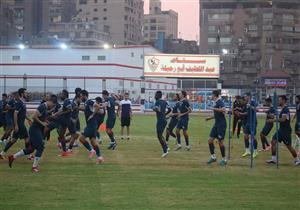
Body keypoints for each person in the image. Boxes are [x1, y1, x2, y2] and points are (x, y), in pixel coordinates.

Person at [8, 95, 58, 172]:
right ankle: (34, 167)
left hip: (37, 129)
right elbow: (34, 117)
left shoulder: (45, 108)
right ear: (51, 102)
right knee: (41, 147)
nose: (52, 107)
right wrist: (42, 123)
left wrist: (45, 121)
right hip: (35, 129)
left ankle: (13, 157)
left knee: (31, 149)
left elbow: (40, 116)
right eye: (53, 105)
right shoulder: (42, 106)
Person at [266, 95, 300, 166]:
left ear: (284, 100)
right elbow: (280, 118)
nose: (279, 101)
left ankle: (297, 160)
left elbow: (283, 119)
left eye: (280, 100)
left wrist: (272, 120)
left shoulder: (286, 109)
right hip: (281, 130)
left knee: (289, 146)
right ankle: (274, 159)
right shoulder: (282, 109)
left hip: (286, 131)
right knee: (273, 141)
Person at [0, 89, 32, 158]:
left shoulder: (22, 102)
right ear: (22, 94)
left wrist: (29, 119)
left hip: (19, 124)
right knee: (27, 138)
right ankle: (28, 155)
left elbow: (22, 114)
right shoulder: (19, 102)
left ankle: (2, 153)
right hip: (20, 124)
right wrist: (16, 125)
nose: (27, 94)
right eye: (25, 93)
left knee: (13, 140)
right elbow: (15, 113)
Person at [78, 90, 104, 164]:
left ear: (84, 95)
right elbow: (87, 110)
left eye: (81, 96)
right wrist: (78, 108)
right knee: (93, 142)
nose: (80, 97)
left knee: (81, 138)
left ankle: (91, 151)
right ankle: (100, 157)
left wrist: (92, 115)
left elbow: (98, 107)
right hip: (92, 124)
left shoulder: (89, 102)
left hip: (91, 124)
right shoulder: (87, 103)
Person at [206, 90, 227, 166]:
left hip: (221, 125)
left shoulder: (219, 101)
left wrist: (213, 109)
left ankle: (224, 159)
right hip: (216, 124)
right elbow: (218, 114)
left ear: (214, 95)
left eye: (211, 95)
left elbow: (224, 110)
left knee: (220, 142)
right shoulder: (216, 102)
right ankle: (213, 157)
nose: (211, 96)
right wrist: (210, 118)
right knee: (210, 140)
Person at [237, 93, 258, 158]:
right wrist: (241, 113)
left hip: (253, 121)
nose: (245, 98)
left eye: (245, 96)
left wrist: (250, 106)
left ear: (249, 96)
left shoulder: (253, 101)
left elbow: (256, 109)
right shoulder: (247, 103)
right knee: (245, 136)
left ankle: (255, 151)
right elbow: (247, 113)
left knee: (252, 137)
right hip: (248, 122)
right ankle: (247, 150)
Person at [53, 90, 72, 156]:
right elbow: (63, 109)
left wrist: (60, 114)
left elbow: (69, 110)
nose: (61, 96)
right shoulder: (65, 101)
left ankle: (65, 150)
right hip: (64, 121)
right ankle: (64, 151)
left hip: (66, 121)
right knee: (61, 135)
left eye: (62, 94)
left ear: (65, 95)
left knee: (62, 135)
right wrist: (56, 113)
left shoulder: (67, 101)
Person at [153, 91, 171, 157]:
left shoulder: (157, 101)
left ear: (157, 95)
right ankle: (167, 147)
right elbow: (170, 109)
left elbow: (156, 108)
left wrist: (154, 109)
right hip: (164, 120)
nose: (155, 96)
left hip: (160, 120)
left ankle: (165, 151)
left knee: (159, 136)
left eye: (155, 94)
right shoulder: (164, 101)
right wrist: (164, 114)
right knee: (161, 134)